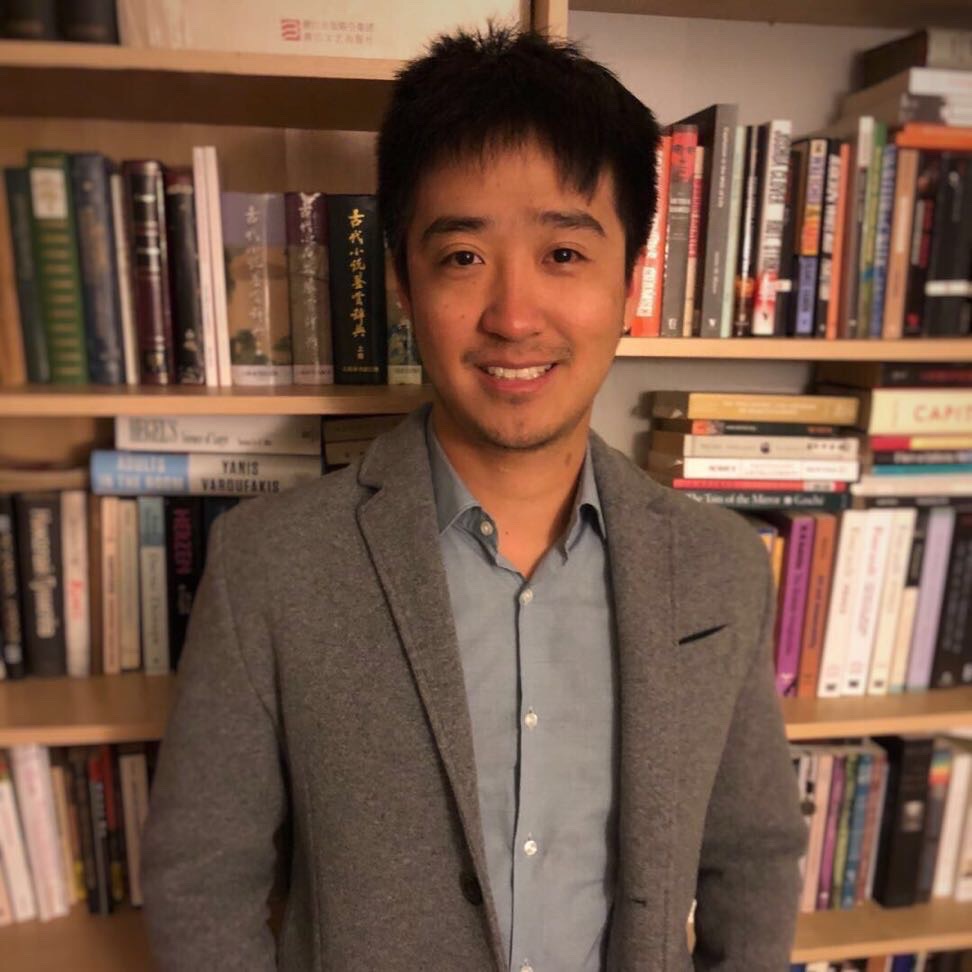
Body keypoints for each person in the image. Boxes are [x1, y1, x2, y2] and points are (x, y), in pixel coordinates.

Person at [141, 25, 807, 972]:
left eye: (564, 254)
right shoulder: (271, 564)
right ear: (403, 284)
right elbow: (201, 883)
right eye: (462, 257)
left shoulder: (718, 566)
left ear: (631, 282)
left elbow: (754, 861)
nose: (513, 316)